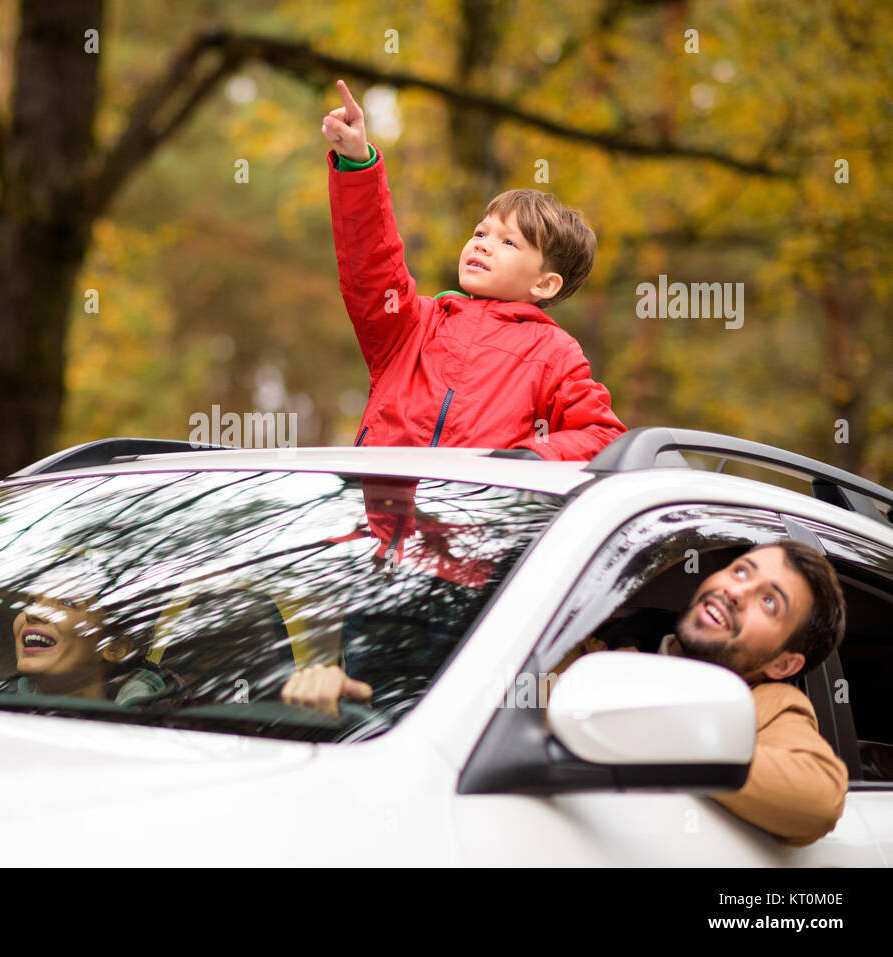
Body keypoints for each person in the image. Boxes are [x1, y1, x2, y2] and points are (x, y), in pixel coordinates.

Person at [282, 540, 850, 846]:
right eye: (742, 571)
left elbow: (819, 798)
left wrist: (667, 730)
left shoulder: (770, 708)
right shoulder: (597, 656)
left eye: (770, 601)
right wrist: (351, 695)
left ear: (784, 661)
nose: (736, 590)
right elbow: (487, 697)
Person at [323, 80, 626, 461]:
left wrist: (532, 458)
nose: (482, 243)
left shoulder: (554, 353)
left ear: (545, 283)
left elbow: (603, 435)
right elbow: (370, 260)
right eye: (481, 232)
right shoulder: (412, 325)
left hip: (478, 517)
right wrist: (357, 162)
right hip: (378, 517)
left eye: (508, 242)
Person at [0, 591, 185, 708]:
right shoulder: (1, 702)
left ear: (116, 647)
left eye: (66, 603)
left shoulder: (162, 720)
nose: (35, 613)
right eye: (32, 601)